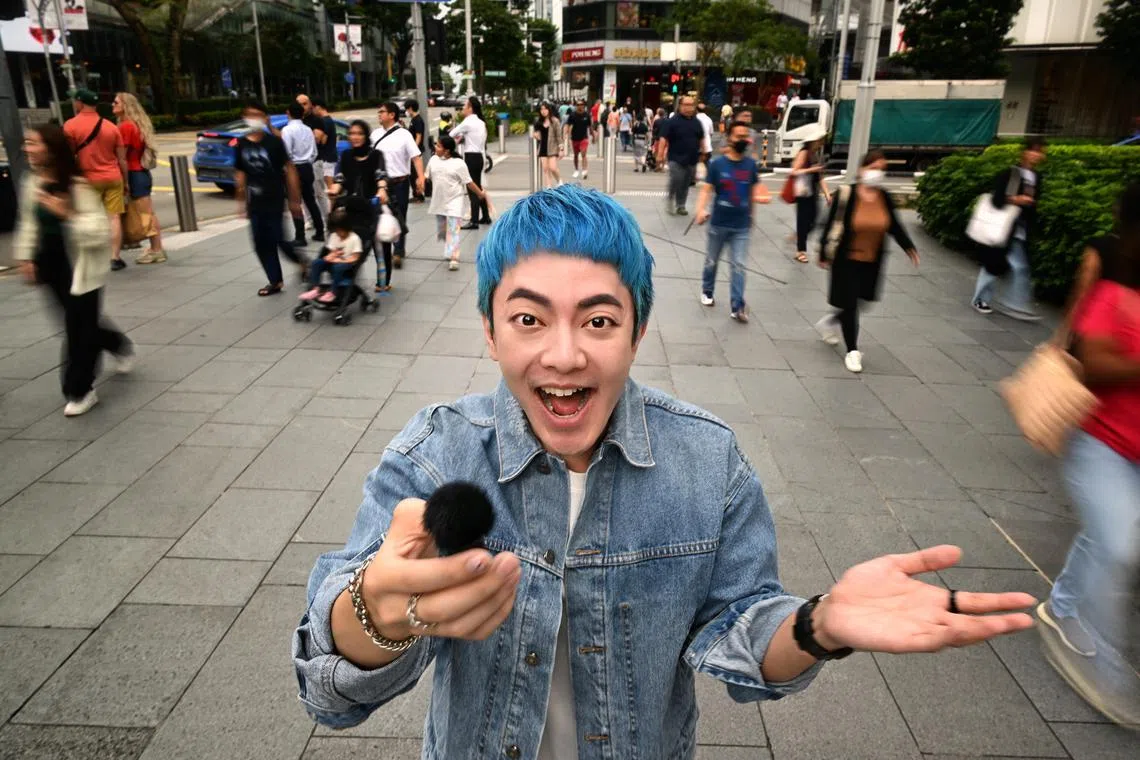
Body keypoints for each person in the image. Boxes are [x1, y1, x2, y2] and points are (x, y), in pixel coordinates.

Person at [292, 183, 1037, 759]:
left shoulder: (707, 463)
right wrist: (377, 614)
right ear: (489, 332)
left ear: (637, 331)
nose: (563, 355)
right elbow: (326, 673)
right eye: (528, 319)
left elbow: (744, 632)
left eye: (599, 319)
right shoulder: (433, 454)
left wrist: (819, 625)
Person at [1036, 183, 1140, 728]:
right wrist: (1058, 344)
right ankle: (1107, 675)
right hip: (1104, 441)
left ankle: (1062, 605)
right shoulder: (1115, 286)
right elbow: (1092, 355)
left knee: (1109, 532)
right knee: (1119, 543)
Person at [14, 124, 132, 417]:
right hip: (50, 263)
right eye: (26, 143)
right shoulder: (32, 182)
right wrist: (27, 256)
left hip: (81, 265)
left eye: (33, 143)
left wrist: (66, 213)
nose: (27, 149)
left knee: (78, 330)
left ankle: (80, 389)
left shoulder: (77, 185)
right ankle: (117, 343)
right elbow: (29, 222)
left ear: (51, 148)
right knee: (77, 322)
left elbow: (97, 231)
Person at [814, 151, 920, 374]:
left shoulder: (884, 197)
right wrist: (824, 252)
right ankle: (852, 351)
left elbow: (894, 225)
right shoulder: (846, 194)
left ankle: (830, 321)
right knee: (851, 304)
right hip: (845, 259)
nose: (877, 173)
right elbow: (830, 225)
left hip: (872, 260)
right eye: (873, 167)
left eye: (881, 169)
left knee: (864, 301)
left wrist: (908, 246)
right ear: (862, 170)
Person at [695, 121, 765, 323]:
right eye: (738, 136)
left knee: (739, 265)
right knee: (711, 260)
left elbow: (752, 192)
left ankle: (737, 305)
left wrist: (752, 215)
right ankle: (707, 290)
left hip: (741, 226)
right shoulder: (717, 164)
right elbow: (707, 190)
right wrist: (700, 210)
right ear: (729, 139)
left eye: (745, 136)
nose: (742, 140)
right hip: (718, 223)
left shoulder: (751, 165)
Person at [233, 101, 304, 297]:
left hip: (274, 199)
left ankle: (301, 262)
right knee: (260, 242)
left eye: (257, 114)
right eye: (249, 114)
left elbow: (290, 170)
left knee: (279, 239)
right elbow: (240, 173)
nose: (252, 118)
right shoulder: (241, 144)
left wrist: (294, 199)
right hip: (254, 201)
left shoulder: (273, 142)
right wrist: (240, 201)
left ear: (265, 118)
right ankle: (275, 281)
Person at [971, 137, 1047, 320]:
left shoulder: (1037, 177)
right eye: (1033, 150)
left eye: (1039, 151)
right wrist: (1016, 200)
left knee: (1020, 267)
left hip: (1020, 229)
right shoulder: (1010, 174)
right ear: (1024, 153)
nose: (1036, 155)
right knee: (993, 264)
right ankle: (981, 299)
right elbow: (997, 199)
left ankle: (1016, 303)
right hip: (1002, 227)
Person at [63, 88, 128, 270]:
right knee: (114, 218)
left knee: (87, 216)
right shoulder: (111, 127)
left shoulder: (70, 126)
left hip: (87, 179)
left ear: (79, 103)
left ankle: (91, 256)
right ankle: (114, 257)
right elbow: (121, 159)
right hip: (113, 177)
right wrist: (126, 181)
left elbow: (67, 156)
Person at [330, 120, 390, 291]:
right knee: (351, 242)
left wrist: (382, 189)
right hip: (352, 207)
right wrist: (334, 189)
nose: (355, 137)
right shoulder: (346, 155)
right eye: (352, 134)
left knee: (381, 243)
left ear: (366, 136)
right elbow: (340, 178)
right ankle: (346, 277)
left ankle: (383, 281)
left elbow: (380, 175)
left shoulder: (376, 155)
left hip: (372, 205)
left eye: (359, 133)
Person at [370, 101, 425, 271]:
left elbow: (416, 157)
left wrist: (421, 178)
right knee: (381, 216)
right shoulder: (374, 134)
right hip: (380, 185)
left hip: (400, 182)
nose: (379, 114)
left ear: (392, 115)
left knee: (399, 216)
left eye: (382, 112)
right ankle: (385, 247)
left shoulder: (404, 135)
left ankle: (398, 251)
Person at [112, 91, 164, 264]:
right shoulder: (136, 124)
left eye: (116, 102)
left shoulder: (126, 126)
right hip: (141, 172)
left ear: (126, 106)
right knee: (147, 212)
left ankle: (157, 250)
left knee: (146, 214)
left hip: (134, 173)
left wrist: (124, 181)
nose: (113, 105)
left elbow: (122, 156)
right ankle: (156, 248)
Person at [426, 135, 488, 272]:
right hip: (439, 201)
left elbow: (469, 182)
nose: (435, 147)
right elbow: (427, 177)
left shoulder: (459, 163)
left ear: (447, 150)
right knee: (443, 230)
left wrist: (480, 193)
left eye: (438, 146)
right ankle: (449, 246)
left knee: (453, 229)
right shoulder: (433, 160)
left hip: (455, 200)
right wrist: (420, 183)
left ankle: (454, 257)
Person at [282, 102, 326, 246]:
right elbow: (314, 152)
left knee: (295, 203)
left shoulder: (287, 130)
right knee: (310, 200)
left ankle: (300, 237)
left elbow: (286, 152)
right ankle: (320, 231)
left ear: (288, 113)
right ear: (302, 114)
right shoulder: (308, 129)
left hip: (294, 168)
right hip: (307, 166)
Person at [299, 208, 363, 305]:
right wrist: (330, 256)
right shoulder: (334, 236)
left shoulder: (354, 238)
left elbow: (355, 257)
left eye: (340, 231)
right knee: (317, 263)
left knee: (338, 267)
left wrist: (341, 261)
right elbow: (332, 251)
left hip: (347, 264)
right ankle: (315, 288)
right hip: (335, 261)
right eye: (336, 231)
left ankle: (332, 292)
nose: (338, 234)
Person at [656, 95, 705, 216]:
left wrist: (704, 152)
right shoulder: (672, 121)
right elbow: (663, 139)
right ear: (680, 106)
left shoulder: (696, 122)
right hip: (675, 158)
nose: (689, 108)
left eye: (691, 105)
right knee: (676, 179)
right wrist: (660, 155)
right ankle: (670, 197)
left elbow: (701, 138)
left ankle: (681, 205)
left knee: (685, 183)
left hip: (692, 158)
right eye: (686, 105)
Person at [790, 125, 831, 263]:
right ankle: (801, 251)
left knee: (814, 220)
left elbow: (820, 176)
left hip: (813, 192)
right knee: (803, 221)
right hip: (802, 192)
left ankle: (800, 237)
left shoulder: (816, 154)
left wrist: (827, 194)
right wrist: (810, 170)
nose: (821, 142)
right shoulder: (804, 152)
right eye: (820, 140)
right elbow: (794, 171)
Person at [449, 97, 490, 230]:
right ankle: (485, 216)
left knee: (472, 188)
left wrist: (461, 136)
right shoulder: (481, 122)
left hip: (471, 157)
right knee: (478, 186)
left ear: (470, 108)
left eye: (465, 106)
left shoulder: (468, 122)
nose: (463, 109)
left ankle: (474, 221)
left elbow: (451, 134)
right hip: (480, 156)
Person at [296, 93, 332, 230]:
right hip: (300, 163)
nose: (302, 107)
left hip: (314, 161)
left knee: (318, 193)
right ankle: (309, 220)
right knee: (304, 194)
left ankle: (327, 219)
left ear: (310, 104)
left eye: (305, 103)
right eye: (299, 104)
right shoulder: (297, 122)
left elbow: (316, 140)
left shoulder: (316, 120)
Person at [311, 99, 340, 214]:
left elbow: (323, 140)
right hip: (329, 157)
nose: (312, 110)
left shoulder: (324, 122)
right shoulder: (329, 120)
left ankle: (332, 214)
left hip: (327, 159)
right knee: (328, 188)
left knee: (329, 189)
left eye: (313, 108)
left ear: (318, 107)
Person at [532, 102, 564, 189]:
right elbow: (536, 133)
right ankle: (548, 187)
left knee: (553, 167)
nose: (543, 111)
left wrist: (561, 149)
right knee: (546, 169)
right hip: (542, 147)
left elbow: (559, 136)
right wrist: (535, 135)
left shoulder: (555, 121)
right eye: (541, 109)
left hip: (552, 148)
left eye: (545, 109)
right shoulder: (538, 122)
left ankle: (559, 181)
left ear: (549, 110)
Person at [405, 99, 427, 203]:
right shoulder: (414, 120)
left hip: (415, 152)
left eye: (407, 109)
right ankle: (416, 194)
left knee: (414, 174)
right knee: (412, 174)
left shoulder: (418, 120)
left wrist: (413, 149)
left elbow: (418, 136)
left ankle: (419, 196)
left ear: (410, 108)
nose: (406, 111)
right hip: (414, 151)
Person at [563, 99, 591, 180]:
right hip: (574, 138)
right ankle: (576, 170)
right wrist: (565, 135)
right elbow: (568, 125)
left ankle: (585, 170)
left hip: (584, 138)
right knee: (575, 155)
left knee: (583, 154)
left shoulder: (587, 115)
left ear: (584, 105)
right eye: (578, 105)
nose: (580, 106)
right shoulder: (572, 115)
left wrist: (593, 134)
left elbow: (590, 126)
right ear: (576, 106)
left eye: (581, 104)